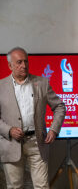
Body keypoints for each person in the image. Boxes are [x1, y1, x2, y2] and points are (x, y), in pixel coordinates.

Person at [0, 47, 66, 188]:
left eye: (26, 61)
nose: (24, 65)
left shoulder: (42, 83)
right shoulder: (0, 86)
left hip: (37, 143)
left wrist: (54, 129)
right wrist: (9, 129)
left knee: (42, 186)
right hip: (11, 143)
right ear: (10, 65)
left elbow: (59, 106)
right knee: (14, 186)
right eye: (19, 62)